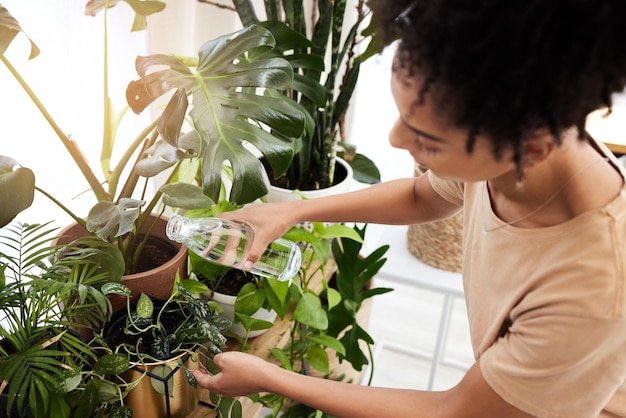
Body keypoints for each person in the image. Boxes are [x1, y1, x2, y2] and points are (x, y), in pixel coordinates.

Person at [193, 0, 626, 416]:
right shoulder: (509, 150)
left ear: (530, 147)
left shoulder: (596, 286)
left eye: (427, 139)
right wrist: (291, 211)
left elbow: (455, 412)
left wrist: (272, 378)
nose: (396, 140)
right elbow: (423, 196)